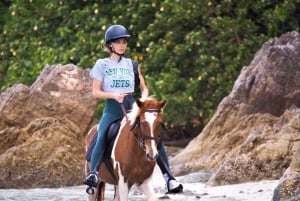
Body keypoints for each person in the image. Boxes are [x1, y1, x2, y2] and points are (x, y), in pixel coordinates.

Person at [83, 24, 183, 194]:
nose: (122, 45)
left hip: (132, 105)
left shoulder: (132, 64)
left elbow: (144, 88)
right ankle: (93, 174)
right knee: (101, 135)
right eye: (118, 42)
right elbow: (95, 92)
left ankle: (169, 177)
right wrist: (113, 95)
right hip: (112, 108)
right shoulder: (102, 64)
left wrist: (144, 99)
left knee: (154, 136)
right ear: (110, 45)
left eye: (124, 42)